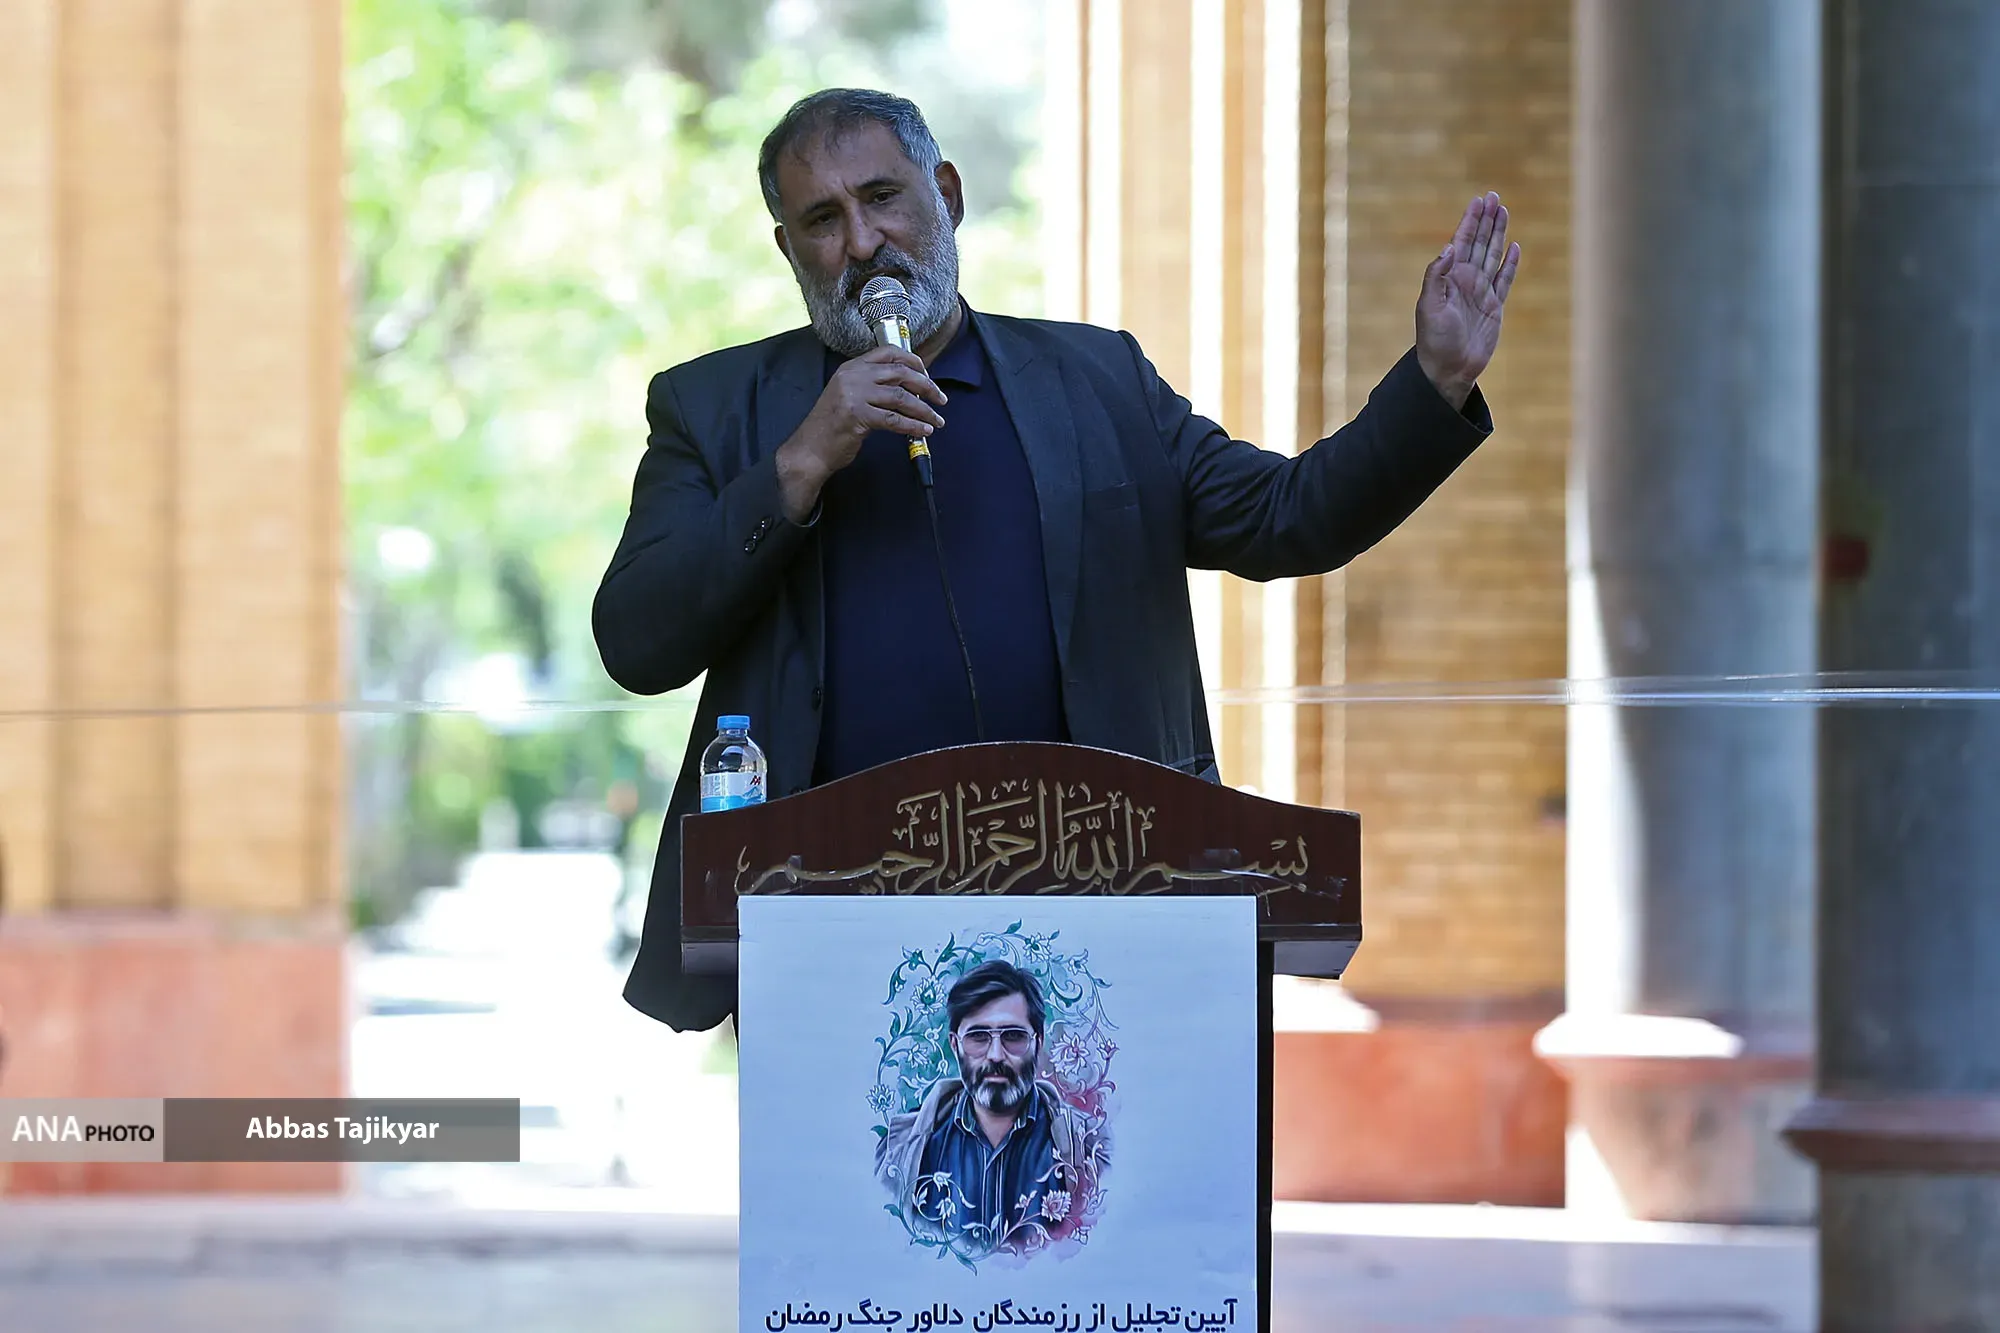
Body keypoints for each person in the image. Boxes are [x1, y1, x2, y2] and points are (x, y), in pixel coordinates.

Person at [593, 88, 1522, 1031]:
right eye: (823, 221)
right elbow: (636, 640)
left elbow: (1291, 518)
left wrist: (1435, 382)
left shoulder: (1099, 382)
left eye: (883, 198)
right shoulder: (715, 409)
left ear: (948, 195)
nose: (863, 242)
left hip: (1105, 923)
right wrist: (800, 462)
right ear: (788, 248)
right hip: (824, 942)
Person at [875, 962, 1098, 1255]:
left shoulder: (1088, 1146)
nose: (995, 1055)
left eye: (1013, 1036)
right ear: (955, 1045)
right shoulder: (898, 1150)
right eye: (978, 1037)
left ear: (1038, 1043)